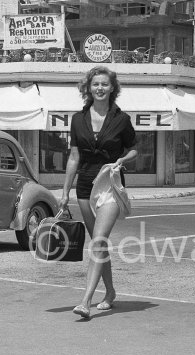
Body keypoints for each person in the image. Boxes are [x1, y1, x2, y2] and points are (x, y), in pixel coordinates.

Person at [59, 66, 138, 319]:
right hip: (85, 186)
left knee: (99, 240)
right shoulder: (77, 119)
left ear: (112, 88)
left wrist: (121, 161)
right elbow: (74, 157)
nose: (100, 88)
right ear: (88, 88)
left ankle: (85, 301)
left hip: (111, 184)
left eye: (105, 84)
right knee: (98, 245)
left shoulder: (121, 119)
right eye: (95, 84)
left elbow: (135, 150)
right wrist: (64, 192)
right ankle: (111, 291)